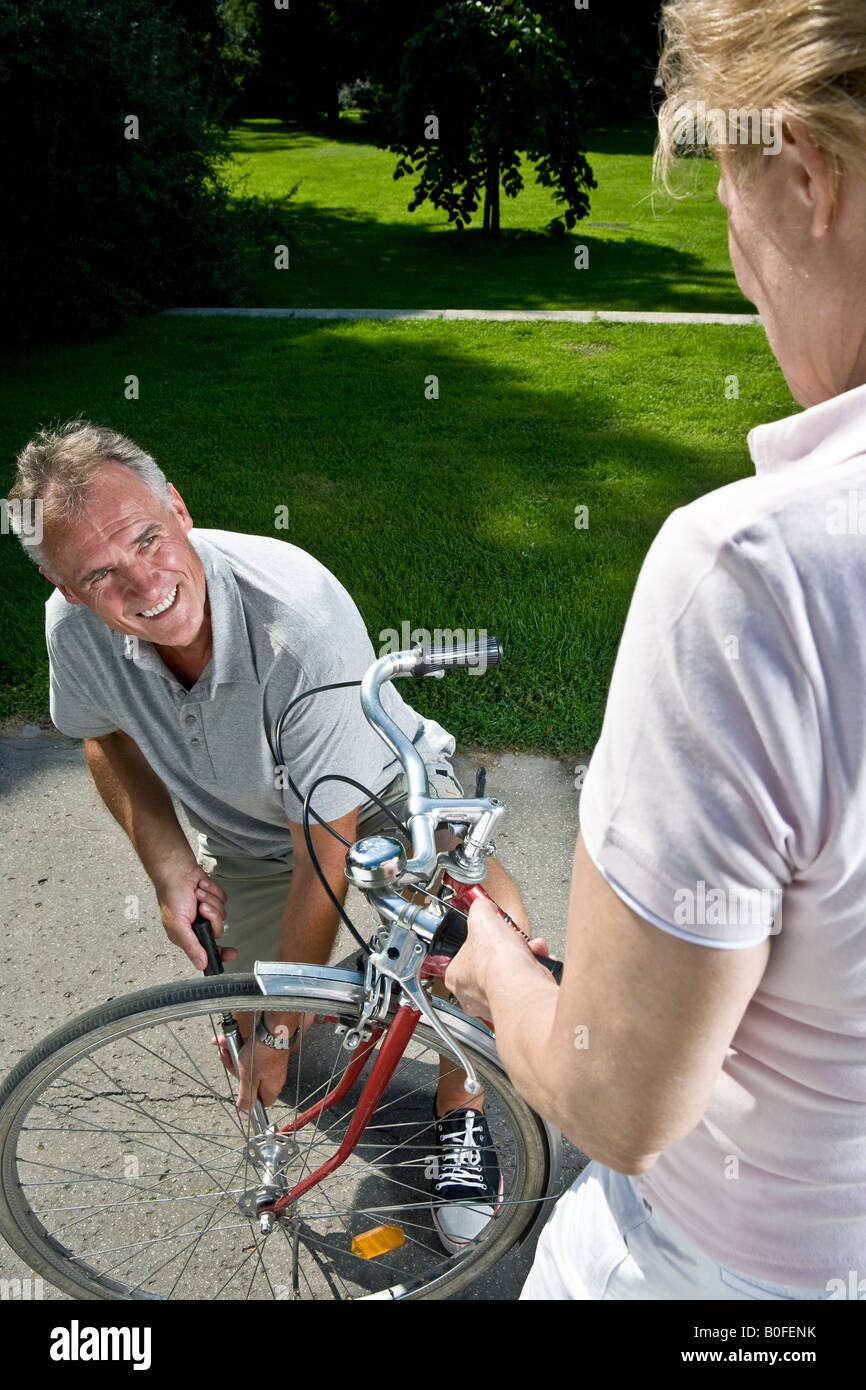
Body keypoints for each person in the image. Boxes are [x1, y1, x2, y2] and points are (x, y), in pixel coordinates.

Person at [446, 0, 866, 1299]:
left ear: (800, 171)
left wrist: (497, 972)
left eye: (728, 202)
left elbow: (616, 1100)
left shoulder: (751, 577)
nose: (739, 273)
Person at [6, 422, 529, 1253]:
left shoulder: (300, 614)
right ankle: (353, 982)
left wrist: (283, 1029)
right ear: (64, 587)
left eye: (147, 537)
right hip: (246, 832)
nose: (143, 584)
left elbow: (323, 860)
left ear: (178, 508)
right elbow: (104, 737)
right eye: (100, 574)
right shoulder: (72, 631)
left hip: (372, 788)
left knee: (485, 948)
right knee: (258, 1047)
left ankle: (461, 1114)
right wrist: (169, 863)